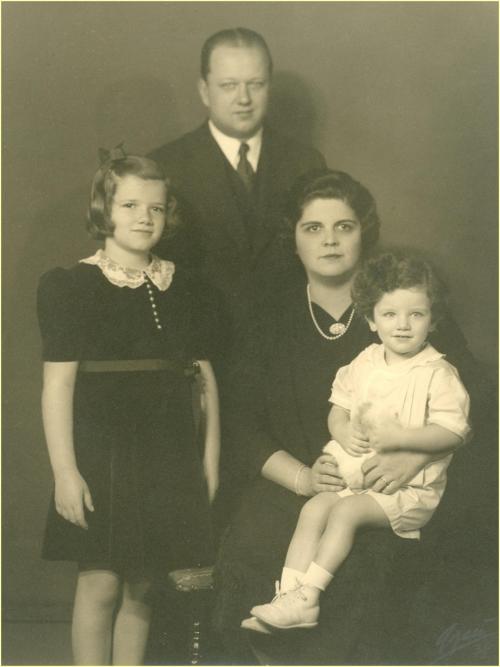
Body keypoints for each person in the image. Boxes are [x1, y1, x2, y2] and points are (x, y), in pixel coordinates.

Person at [212, 169, 479, 664]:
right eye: (313, 228)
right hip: (294, 483)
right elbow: (241, 423)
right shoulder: (266, 319)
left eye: (345, 226)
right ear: (292, 239)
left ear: (365, 233)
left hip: (392, 486)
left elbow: (470, 404)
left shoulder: (406, 309)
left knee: (366, 560)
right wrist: (302, 476)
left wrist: (409, 457)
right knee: (257, 542)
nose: (330, 240)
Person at [37, 153, 220, 665]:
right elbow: (57, 386)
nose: (145, 217)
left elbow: (204, 380)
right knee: (100, 585)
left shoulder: (186, 286)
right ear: (104, 209)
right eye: (131, 204)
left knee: (144, 589)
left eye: (157, 208)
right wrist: (65, 472)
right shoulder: (71, 286)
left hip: (168, 454)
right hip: (105, 452)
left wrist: (207, 461)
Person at [243, 252, 470, 633]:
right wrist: (342, 431)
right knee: (314, 509)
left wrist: (405, 439)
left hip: (408, 490)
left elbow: (453, 431)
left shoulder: (438, 373)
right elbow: (338, 408)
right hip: (356, 479)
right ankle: (288, 596)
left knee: (345, 514)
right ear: (370, 318)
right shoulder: (364, 361)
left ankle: (309, 596)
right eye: (389, 314)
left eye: (416, 314)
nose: (402, 325)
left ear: (433, 321)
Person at [149, 27, 326, 330]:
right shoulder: (165, 166)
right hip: (200, 344)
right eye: (229, 85)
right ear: (205, 90)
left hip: (289, 343)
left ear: (269, 87)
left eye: (255, 84)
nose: (243, 98)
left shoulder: (305, 162)